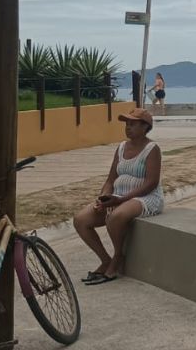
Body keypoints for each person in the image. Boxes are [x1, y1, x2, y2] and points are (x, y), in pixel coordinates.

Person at [73, 108, 163, 285]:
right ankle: (105, 260)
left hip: (145, 197)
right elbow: (110, 179)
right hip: (118, 196)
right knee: (81, 220)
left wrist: (121, 200)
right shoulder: (121, 147)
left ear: (145, 127)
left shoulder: (152, 149)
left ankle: (118, 256)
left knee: (116, 217)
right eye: (126, 124)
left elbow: (151, 183)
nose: (128, 127)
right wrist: (103, 197)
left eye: (133, 124)